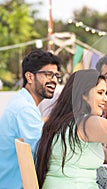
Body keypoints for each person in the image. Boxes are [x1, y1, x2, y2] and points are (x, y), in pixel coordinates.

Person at [0, 49, 61, 188]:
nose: (54, 80)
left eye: (56, 75)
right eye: (48, 74)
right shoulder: (24, 109)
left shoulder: (21, 101)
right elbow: (46, 150)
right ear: (30, 77)